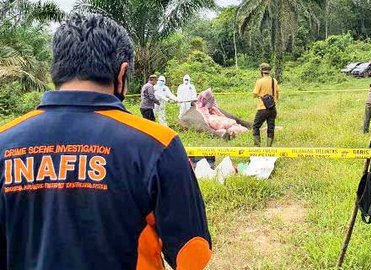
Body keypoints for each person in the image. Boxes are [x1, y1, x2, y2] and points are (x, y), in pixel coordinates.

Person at [0, 13, 212, 270]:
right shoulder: (157, 144)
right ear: (122, 73)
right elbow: (193, 254)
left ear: (54, 71)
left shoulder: (5, 142)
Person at [252, 63, 279, 147]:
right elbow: (277, 92)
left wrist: (260, 95)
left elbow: (254, 94)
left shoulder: (259, 81)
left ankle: (257, 147)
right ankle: (268, 148)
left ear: (261, 71)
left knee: (256, 126)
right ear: (269, 71)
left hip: (262, 108)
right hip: (272, 108)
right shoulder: (274, 81)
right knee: (271, 128)